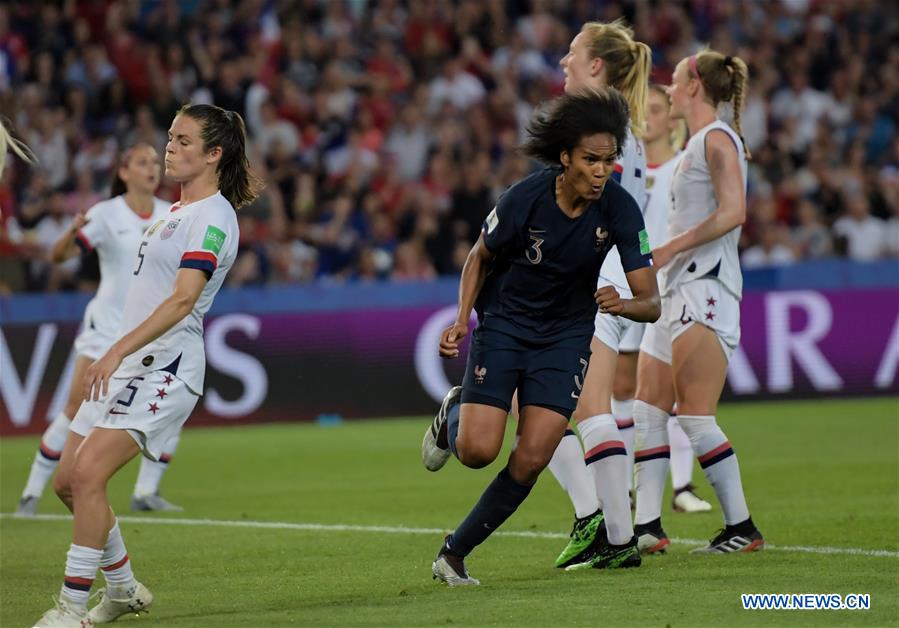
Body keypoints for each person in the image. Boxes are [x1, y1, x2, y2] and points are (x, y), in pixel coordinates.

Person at [420, 86, 659, 586]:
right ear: (566, 157)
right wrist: (463, 318)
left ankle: (454, 554)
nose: (601, 171)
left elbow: (651, 302)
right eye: (591, 160)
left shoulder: (618, 208)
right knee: (478, 452)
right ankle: (455, 414)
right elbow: (479, 256)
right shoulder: (525, 197)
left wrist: (626, 304)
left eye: (608, 161)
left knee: (531, 458)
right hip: (505, 325)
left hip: (567, 338)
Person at [33, 104, 258, 627]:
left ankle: (70, 611)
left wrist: (113, 350)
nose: (169, 149)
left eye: (182, 141)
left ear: (213, 154)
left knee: (88, 473)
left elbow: (182, 301)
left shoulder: (215, 218)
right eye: (170, 138)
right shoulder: (173, 214)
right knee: (68, 481)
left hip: (166, 368)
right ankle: (124, 588)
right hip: (129, 363)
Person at [633, 50, 764, 555]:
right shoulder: (696, 143)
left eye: (675, 78)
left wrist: (669, 247)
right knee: (648, 408)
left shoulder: (716, 139)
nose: (667, 86)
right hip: (674, 290)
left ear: (693, 86)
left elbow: (734, 211)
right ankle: (646, 525)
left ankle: (742, 527)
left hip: (705, 287)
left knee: (694, 415)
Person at [16, 143, 182, 518]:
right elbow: (59, 257)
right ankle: (31, 492)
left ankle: (146, 491)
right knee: (77, 407)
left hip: (147, 331)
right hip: (106, 327)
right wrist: (69, 234)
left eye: (156, 162)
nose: (152, 168)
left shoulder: (170, 214)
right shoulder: (105, 214)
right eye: (142, 162)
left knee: (169, 404)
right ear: (123, 172)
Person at [547, 19, 655, 570]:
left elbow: (576, 215)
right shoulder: (623, 128)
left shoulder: (597, 134)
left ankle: (613, 533)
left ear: (595, 66)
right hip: (611, 279)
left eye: (572, 53)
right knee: (549, 404)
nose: (562, 62)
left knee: (585, 410)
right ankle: (604, 525)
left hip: (592, 283)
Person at [637, 85, 712, 523]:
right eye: (641, 109)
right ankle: (638, 489)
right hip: (622, 287)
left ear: (672, 118)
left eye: (657, 109)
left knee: (676, 394)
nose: (647, 116)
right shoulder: (620, 168)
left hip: (670, 286)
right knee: (629, 397)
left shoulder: (684, 166)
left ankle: (681, 485)